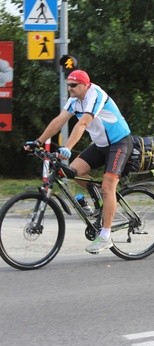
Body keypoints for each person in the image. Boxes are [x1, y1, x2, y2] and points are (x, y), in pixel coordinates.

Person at [24, 70, 133, 253]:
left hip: (119, 143)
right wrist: (38, 142)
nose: (70, 88)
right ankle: (100, 202)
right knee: (72, 171)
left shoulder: (95, 95)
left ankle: (105, 236)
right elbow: (59, 120)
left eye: (73, 85)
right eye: (68, 85)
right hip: (100, 145)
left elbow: (82, 123)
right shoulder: (75, 100)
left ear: (85, 85)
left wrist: (67, 147)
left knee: (108, 186)